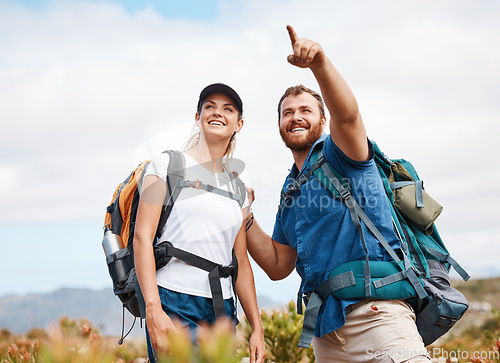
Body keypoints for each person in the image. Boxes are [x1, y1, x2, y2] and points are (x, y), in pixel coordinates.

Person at [245, 26, 431, 362]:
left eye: (305, 110)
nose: (295, 117)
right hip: (326, 335)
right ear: (279, 125)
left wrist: (319, 64)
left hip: (377, 318)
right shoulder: (290, 191)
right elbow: (277, 265)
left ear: (322, 119)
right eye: (287, 112)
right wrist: (244, 216)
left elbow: (349, 116)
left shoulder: (341, 154)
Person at [134, 83, 266, 363]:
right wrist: (153, 309)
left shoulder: (239, 187)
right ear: (198, 117)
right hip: (173, 300)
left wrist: (257, 327)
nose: (218, 112)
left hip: (222, 311)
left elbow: (240, 259)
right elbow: (142, 239)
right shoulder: (166, 165)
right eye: (210, 106)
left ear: (238, 124)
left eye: (227, 109)